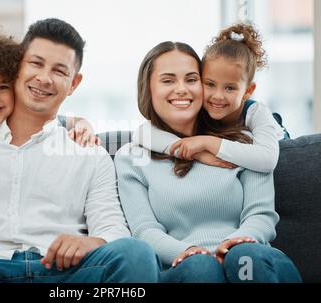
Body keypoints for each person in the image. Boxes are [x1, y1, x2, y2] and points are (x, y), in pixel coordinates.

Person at [0, 18, 160, 283]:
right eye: (36, 64)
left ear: (73, 84)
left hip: (66, 279)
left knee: (135, 254)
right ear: (16, 68)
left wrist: (93, 242)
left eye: (59, 71)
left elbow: (112, 227)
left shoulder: (90, 154)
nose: (44, 78)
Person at [114, 40, 302, 282]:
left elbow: (261, 214)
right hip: (182, 267)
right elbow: (145, 230)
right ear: (147, 89)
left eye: (191, 79)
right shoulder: (131, 157)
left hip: (251, 257)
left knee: (245, 257)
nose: (181, 89)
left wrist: (237, 242)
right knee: (201, 267)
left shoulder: (243, 144)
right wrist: (186, 252)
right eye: (168, 80)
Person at [132, 23, 288, 173]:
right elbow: (142, 133)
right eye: (210, 84)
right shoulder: (203, 109)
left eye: (229, 88)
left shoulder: (256, 112)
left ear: (248, 91)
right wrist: (195, 152)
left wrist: (207, 142)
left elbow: (267, 159)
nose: (218, 96)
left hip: (282, 154)